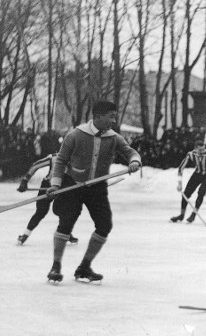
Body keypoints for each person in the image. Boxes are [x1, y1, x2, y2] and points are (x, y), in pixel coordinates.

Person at [45, 100, 142, 283]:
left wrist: (134, 161)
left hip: (97, 188)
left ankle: (84, 267)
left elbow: (131, 152)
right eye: (111, 117)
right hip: (73, 184)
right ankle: (55, 266)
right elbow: (61, 161)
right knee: (66, 222)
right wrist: (56, 184)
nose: (114, 121)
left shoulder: (114, 138)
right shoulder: (75, 135)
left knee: (105, 225)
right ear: (98, 116)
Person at [16, 154, 78, 246]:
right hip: (47, 186)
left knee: (63, 211)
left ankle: (66, 234)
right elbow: (36, 165)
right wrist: (25, 180)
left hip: (63, 188)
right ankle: (25, 235)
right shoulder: (54, 157)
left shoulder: (77, 159)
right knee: (41, 211)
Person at [171, 135, 206, 223]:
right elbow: (181, 168)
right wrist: (179, 183)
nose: (202, 152)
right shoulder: (191, 154)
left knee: (201, 192)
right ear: (195, 149)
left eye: (203, 149)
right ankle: (181, 215)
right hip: (198, 173)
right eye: (200, 150)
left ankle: (193, 214)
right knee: (186, 194)